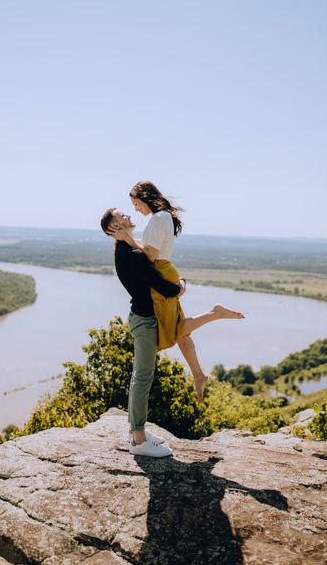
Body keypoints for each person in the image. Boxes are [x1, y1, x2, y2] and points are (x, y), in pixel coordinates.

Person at [109, 181, 245, 403]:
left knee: (174, 331)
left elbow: (151, 256)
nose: (136, 209)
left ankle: (215, 313)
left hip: (161, 271)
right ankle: (198, 375)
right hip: (166, 270)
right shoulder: (162, 218)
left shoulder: (158, 218)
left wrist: (128, 239)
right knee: (181, 332)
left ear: (145, 197)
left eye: (136, 203)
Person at [100, 207, 185, 458]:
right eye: (121, 216)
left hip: (143, 318)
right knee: (143, 378)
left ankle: (136, 432)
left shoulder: (126, 250)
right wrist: (178, 288)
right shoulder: (131, 254)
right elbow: (156, 282)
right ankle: (138, 440)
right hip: (145, 321)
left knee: (141, 376)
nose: (128, 216)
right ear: (114, 228)